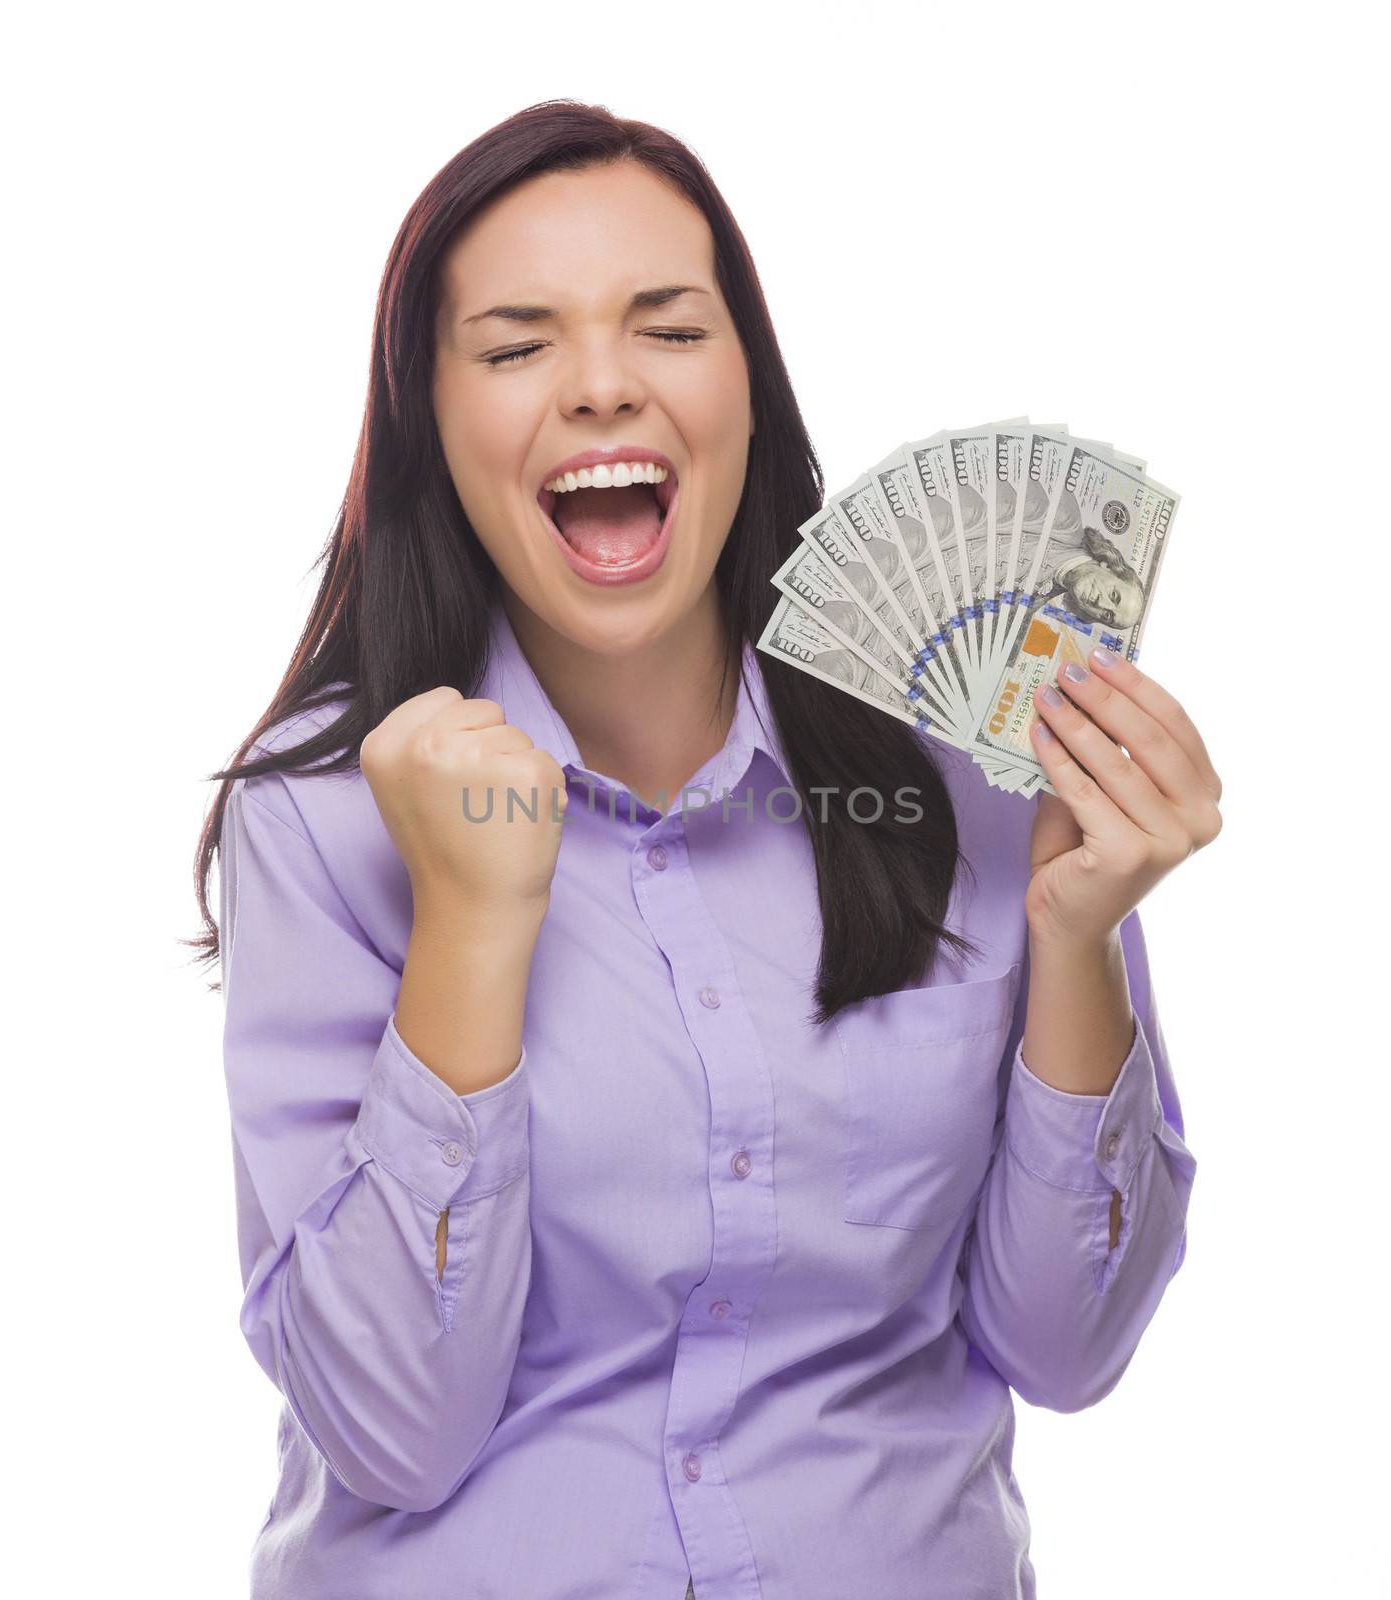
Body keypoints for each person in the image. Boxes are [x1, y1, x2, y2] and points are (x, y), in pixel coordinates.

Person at [189, 100, 1223, 1600]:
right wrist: (472, 933)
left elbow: (1066, 1352)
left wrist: (1074, 942)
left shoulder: (978, 782)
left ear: (747, 388)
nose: (602, 387)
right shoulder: (326, 820)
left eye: (667, 328)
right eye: (516, 343)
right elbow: (390, 1430)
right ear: (433, 418)